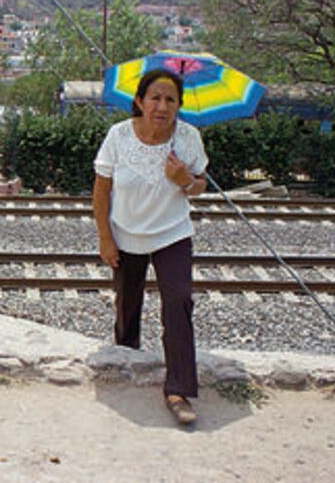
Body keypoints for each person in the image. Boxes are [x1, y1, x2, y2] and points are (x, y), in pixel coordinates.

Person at [92, 68, 208, 425]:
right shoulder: (119, 136)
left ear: (179, 106)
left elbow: (200, 185)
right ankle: (127, 361)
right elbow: (101, 190)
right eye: (155, 98)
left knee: (178, 300)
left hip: (171, 232)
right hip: (125, 233)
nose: (162, 106)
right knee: (127, 302)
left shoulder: (188, 138)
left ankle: (178, 389)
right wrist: (105, 238)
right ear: (140, 102)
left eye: (170, 99)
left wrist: (184, 179)